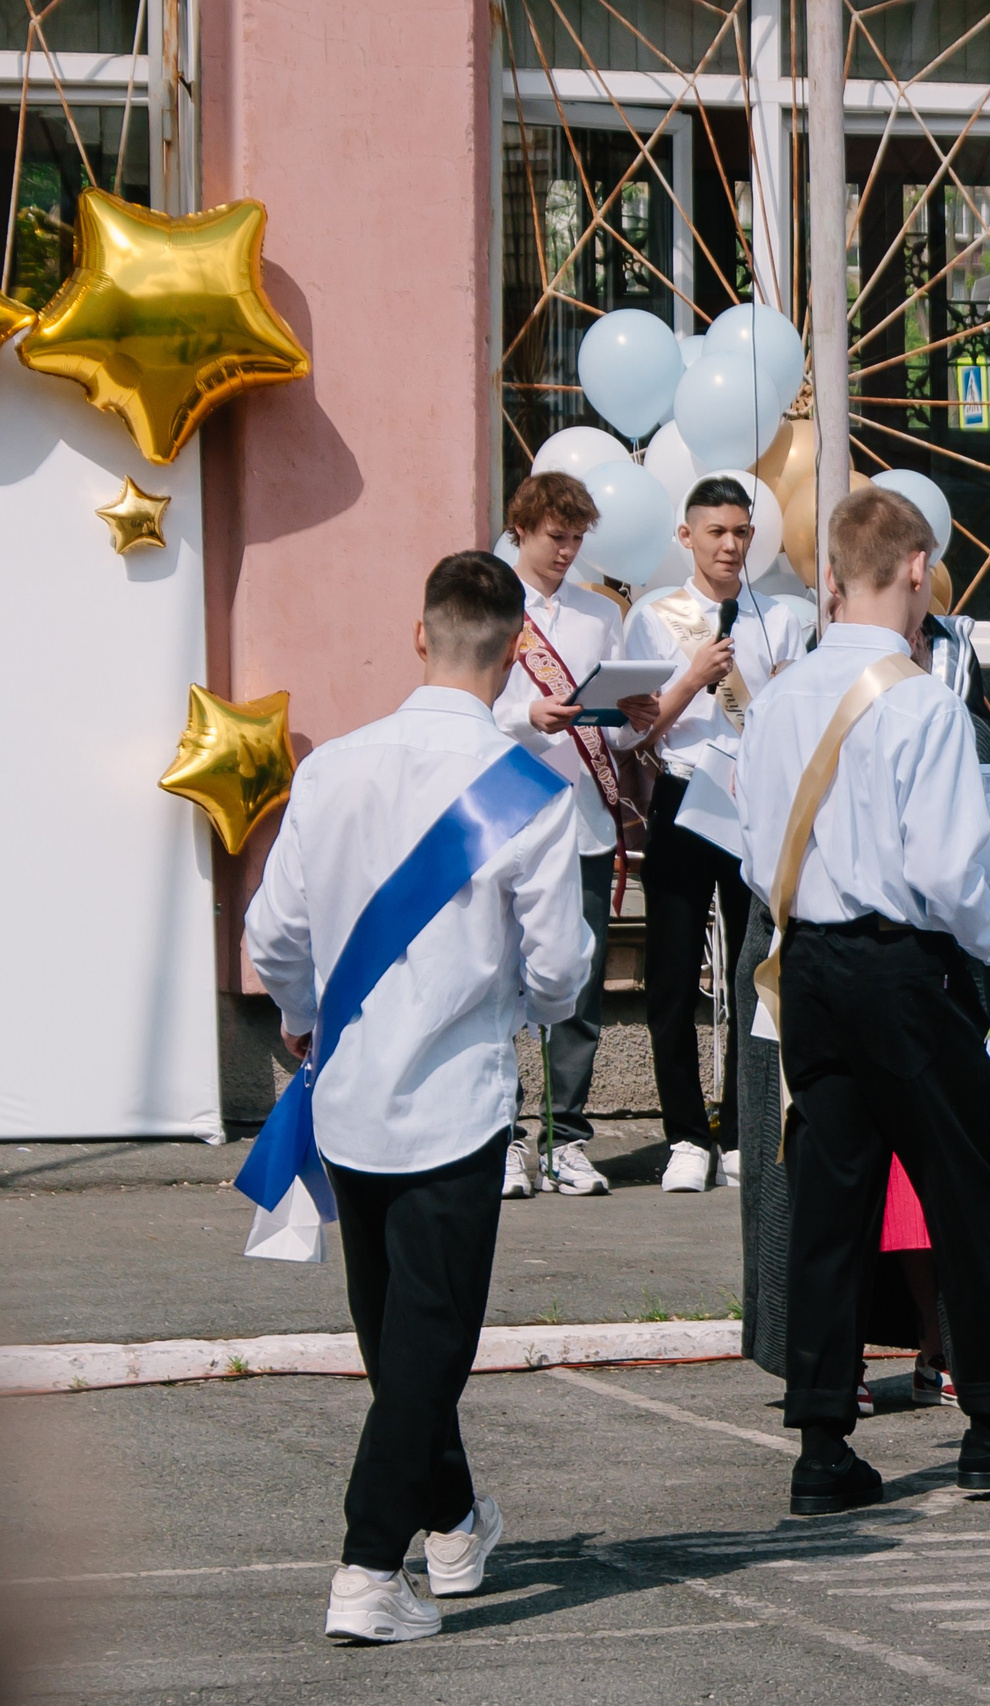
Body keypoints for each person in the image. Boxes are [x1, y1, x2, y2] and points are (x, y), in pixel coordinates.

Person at [246, 552, 592, 1642]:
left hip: (347, 1096)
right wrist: (518, 1009)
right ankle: (365, 1569)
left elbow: (273, 936)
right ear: (509, 654)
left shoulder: (333, 767)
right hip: (453, 1099)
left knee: (397, 1337)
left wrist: (303, 1014)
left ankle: (452, 1523)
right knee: (426, 1347)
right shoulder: (528, 789)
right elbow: (560, 967)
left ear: (419, 635)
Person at [737, 484, 990, 1514]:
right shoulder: (921, 702)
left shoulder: (775, 700)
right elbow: (948, 876)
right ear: (913, 569)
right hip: (900, 966)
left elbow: (761, 855)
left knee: (828, 1196)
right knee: (963, 1188)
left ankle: (821, 1441)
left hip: (806, 961)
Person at [626, 476, 806, 1195]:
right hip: (680, 796)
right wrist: (693, 676)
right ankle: (684, 1135)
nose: (729, 545)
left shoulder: (781, 618)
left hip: (751, 802)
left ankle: (739, 1130)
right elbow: (635, 731)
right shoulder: (653, 616)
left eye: (740, 532)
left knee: (752, 969)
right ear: (687, 537)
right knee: (671, 972)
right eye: (715, 532)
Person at [490, 471, 658, 1200]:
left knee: (581, 984)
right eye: (556, 537)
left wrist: (635, 717)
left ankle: (567, 1138)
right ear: (521, 528)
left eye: (577, 539)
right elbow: (465, 706)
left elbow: (611, 724)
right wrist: (529, 718)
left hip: (584, 821)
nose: (567, 551)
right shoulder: (489, 604)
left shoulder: (598, 615)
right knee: (497, 978)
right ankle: (497, 1135)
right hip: (503, 815)